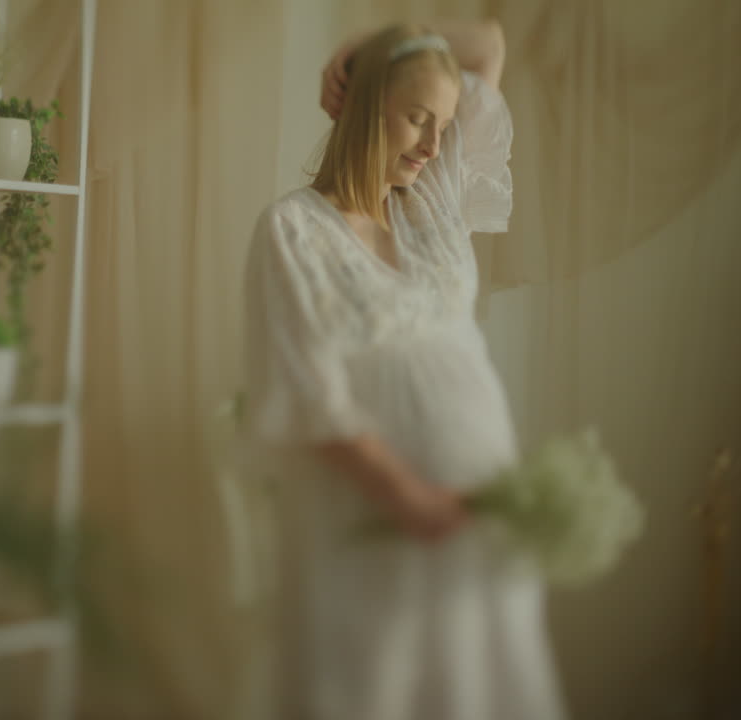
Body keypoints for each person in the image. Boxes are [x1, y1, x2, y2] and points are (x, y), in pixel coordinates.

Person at [242, 21, 568, 719]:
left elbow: (486, 44)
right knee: (383, 692)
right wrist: (412, 501)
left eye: (443, 124)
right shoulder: (292, 231)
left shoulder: (433, 199)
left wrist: (361, 45)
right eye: (417, 117)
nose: (431, 143)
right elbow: (311, 398)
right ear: (365, 106)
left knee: (486, 689)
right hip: (378, 521)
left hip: (481, 507)